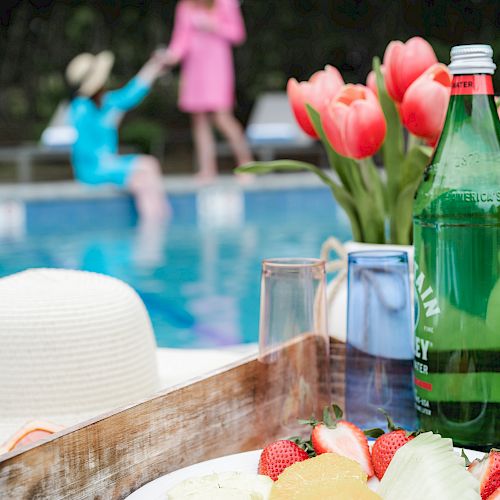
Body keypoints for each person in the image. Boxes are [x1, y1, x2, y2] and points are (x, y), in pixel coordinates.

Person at [66, 50, 169, 220]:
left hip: (109, 164)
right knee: (147, 168)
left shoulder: (105, 102)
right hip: (92, 170)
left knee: (144, 178)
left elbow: (132, 92)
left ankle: (156, 225)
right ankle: (157, 227)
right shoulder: (80, 109)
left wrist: (154, 66)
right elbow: (85, 152)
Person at [163, 0, 253, 182]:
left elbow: (238, 34)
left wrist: (214, 26)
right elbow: (180, 40)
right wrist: (170, 56)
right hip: (194, 68)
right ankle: (207, 170)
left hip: (217, 67)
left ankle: (246, 165)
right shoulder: (184, 6)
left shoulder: (225, 3)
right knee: (199, 120)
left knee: (222, 117)